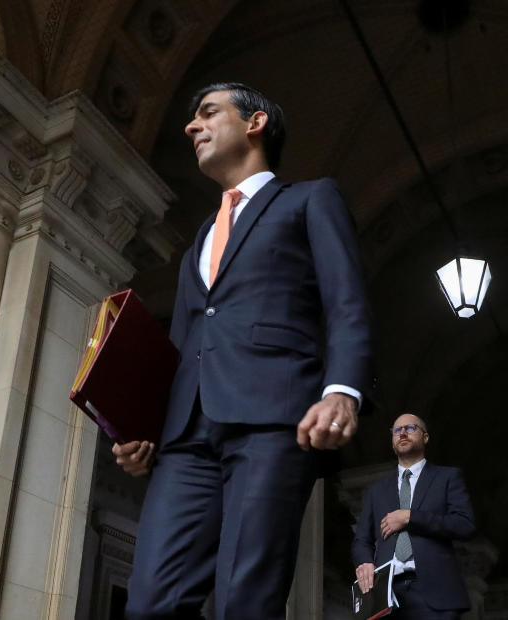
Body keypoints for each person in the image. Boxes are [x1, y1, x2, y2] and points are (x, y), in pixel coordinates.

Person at [114, 82, 373, 620]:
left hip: (273, 420)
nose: (191, 127)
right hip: (186, 438)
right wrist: (146, 429)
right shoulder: (201, 240)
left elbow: (346, 301)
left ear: (254, 124)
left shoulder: (309, 198)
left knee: (245, 599)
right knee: (149, 603)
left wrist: (342, 391)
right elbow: (183, 346)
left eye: (208, 113)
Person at [351, 413, 475, 619]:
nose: (402, 433)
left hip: (435, 594)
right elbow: (361, 540)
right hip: (387, 595)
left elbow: (465, 524)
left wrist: (411, 517)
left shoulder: (447, 477)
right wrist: (364, 562)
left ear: (425, 437)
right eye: (396, 430)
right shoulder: (377, 490)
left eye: (410, 428)